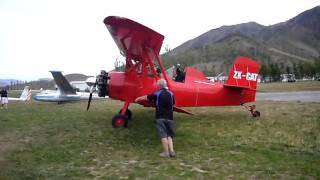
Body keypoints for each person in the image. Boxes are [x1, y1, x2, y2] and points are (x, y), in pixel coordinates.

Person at [135, 79, 176, 158]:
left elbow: (147, 97)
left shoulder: (157, 94)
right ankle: (172, 151)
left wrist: (138, 98)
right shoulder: (171, 94)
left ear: (158, 86)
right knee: (169, 135)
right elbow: (173, 103)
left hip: (160, 117)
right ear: (165, 85)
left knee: (163, 135)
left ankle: (166, 153)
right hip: (170, 117)